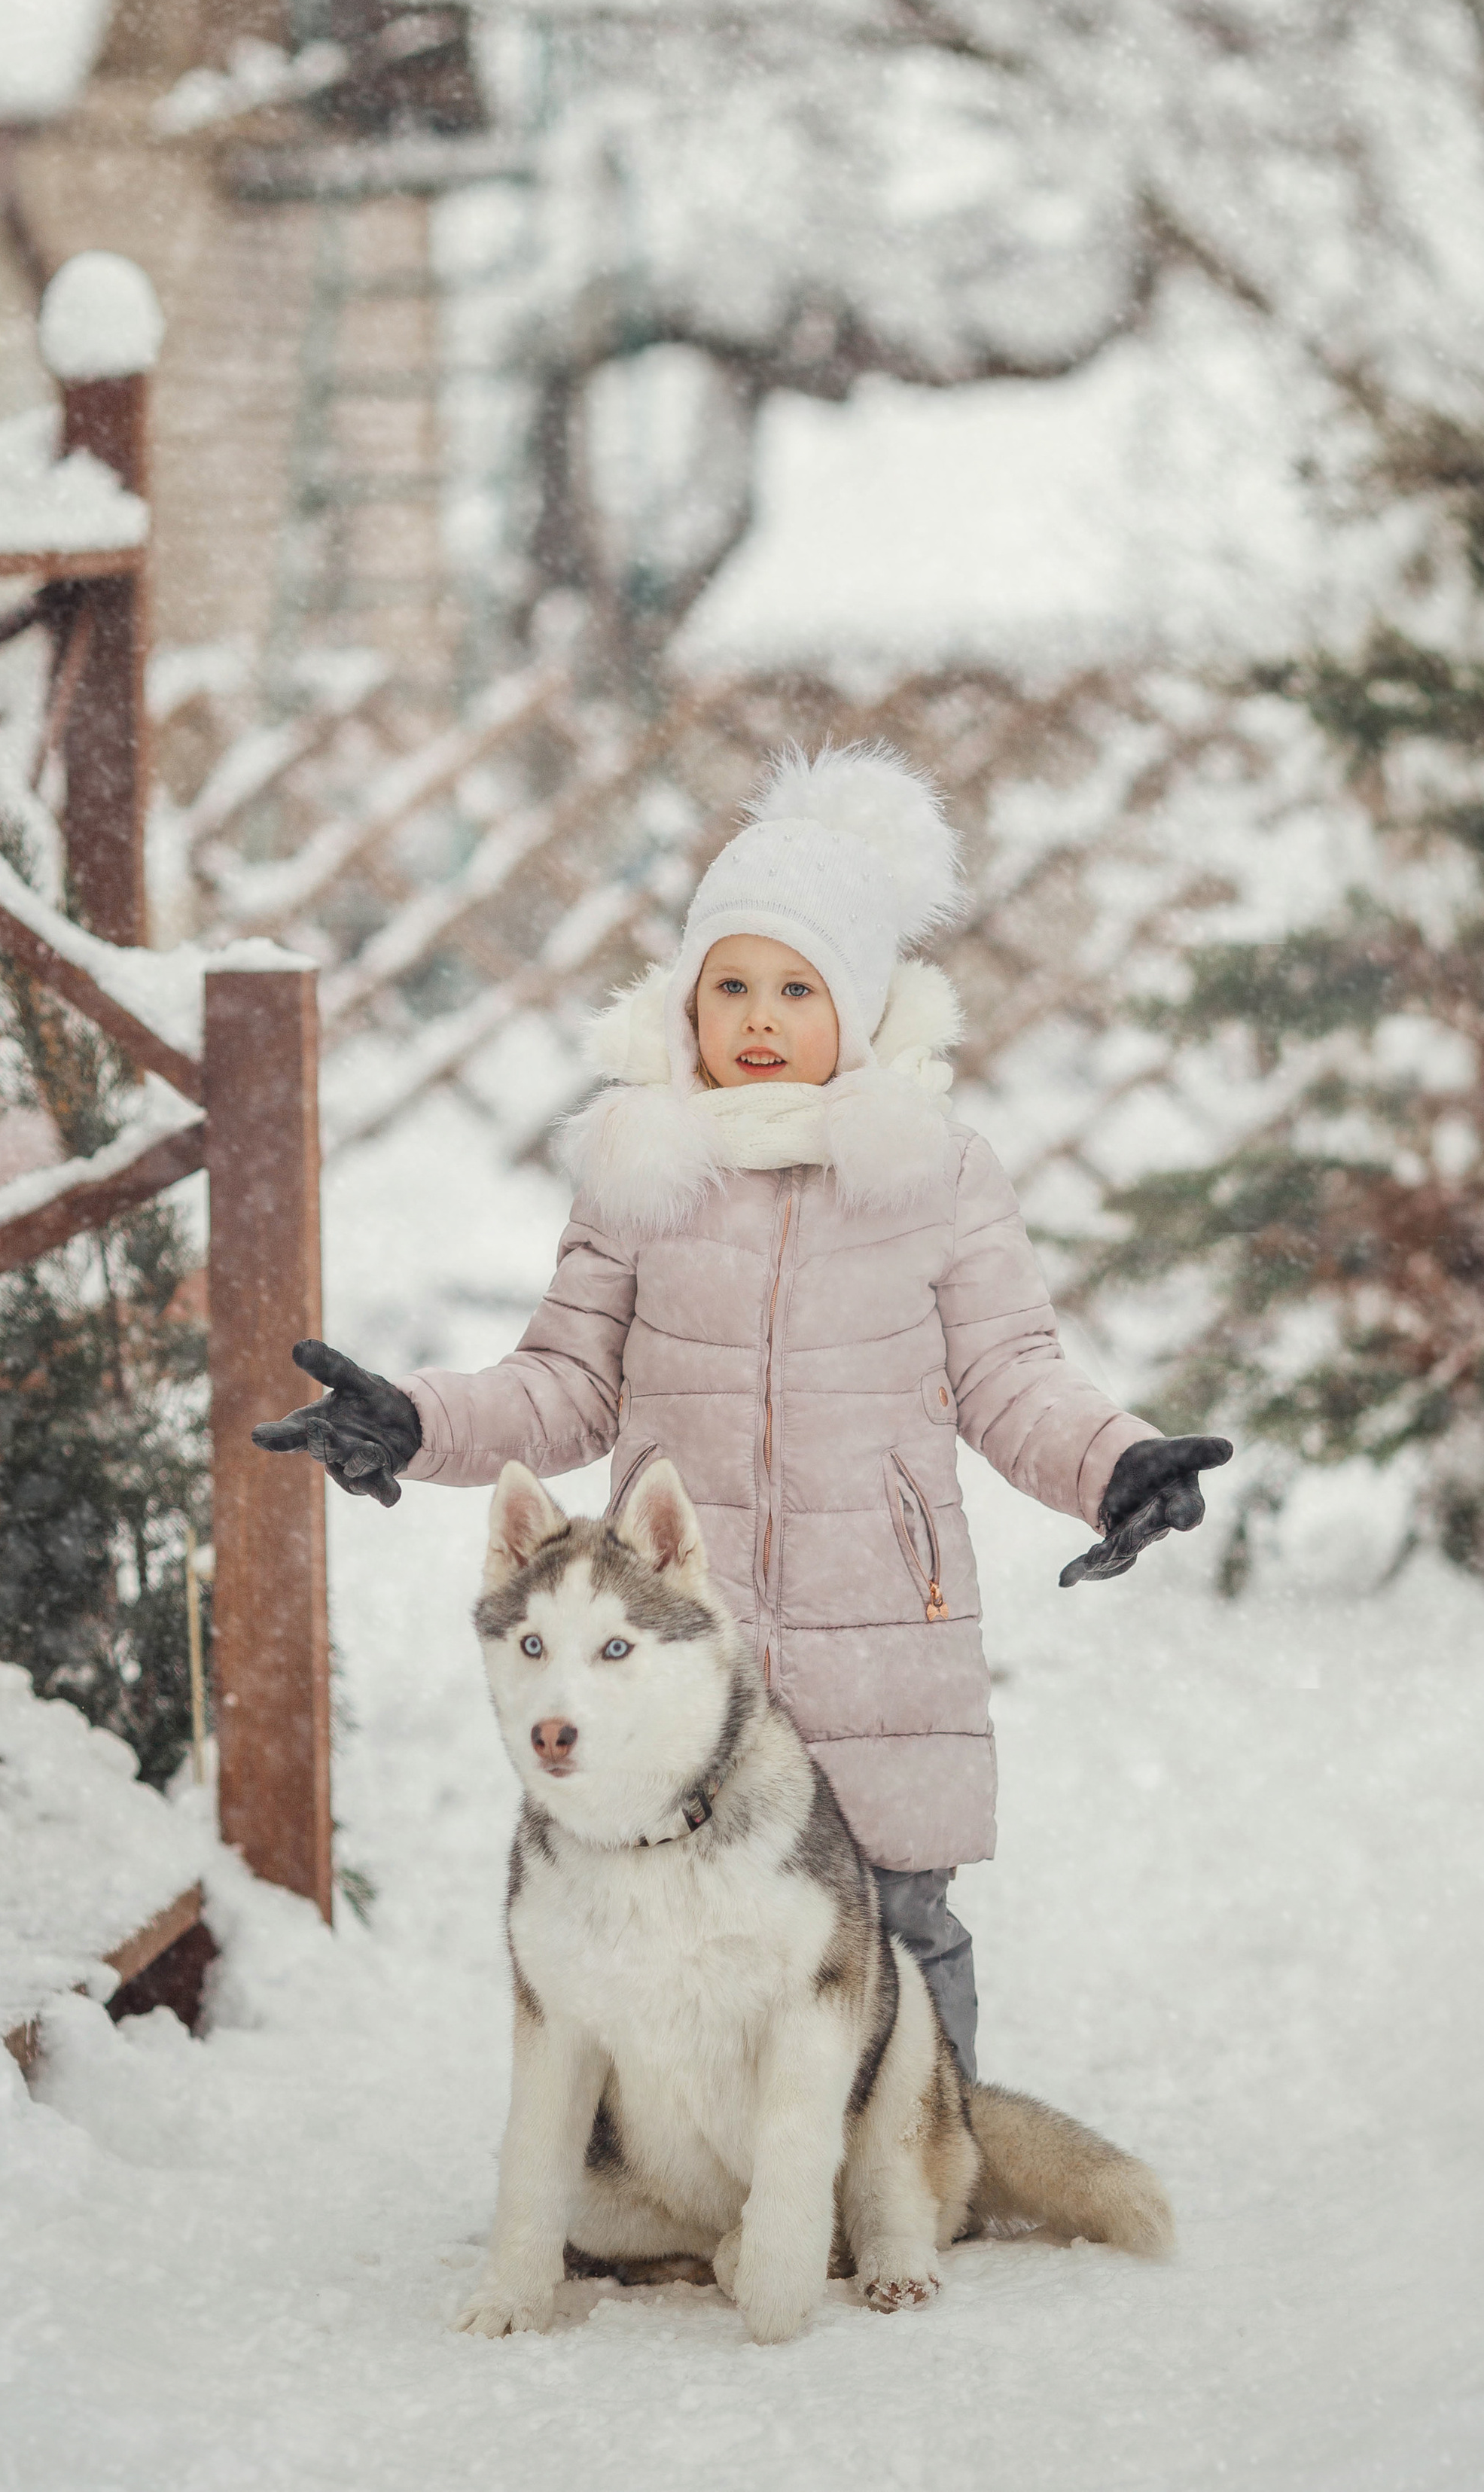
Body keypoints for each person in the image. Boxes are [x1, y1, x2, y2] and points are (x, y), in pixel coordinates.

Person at [256, 745, 1230, 2078]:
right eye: (731, 984)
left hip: (882, 1628)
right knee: (669, 1919)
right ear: (687, 1005)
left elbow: (1014, 1375)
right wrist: (418, 1422)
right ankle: (679, 2173)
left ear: (862, 1008)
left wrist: (1117, 1465)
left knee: (891, 1921)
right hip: (679, 1645)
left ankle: (916, 2176)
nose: (759, 1016)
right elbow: (566, 1383)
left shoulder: (935, 1176)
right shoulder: (642, 1176)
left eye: (796, 986)